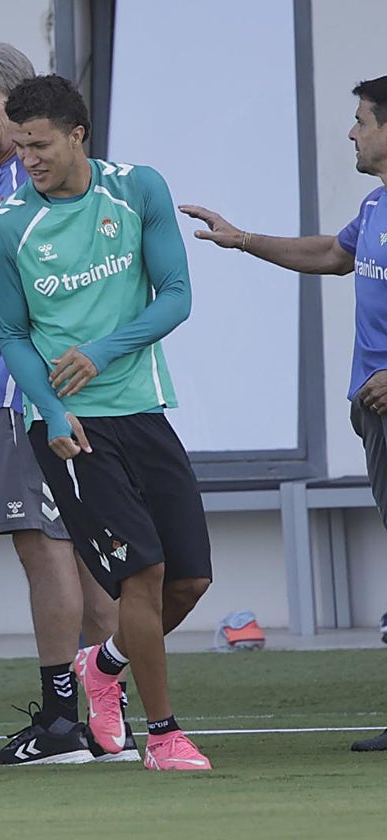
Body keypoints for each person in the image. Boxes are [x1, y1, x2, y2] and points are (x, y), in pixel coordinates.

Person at [0, 75, 213, 772]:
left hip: (142, 408)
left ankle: (104, 666)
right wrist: (51, 409)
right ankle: (165, 735)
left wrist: (103, 352)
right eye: (20, 147)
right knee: (142, 574)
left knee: (191, 581)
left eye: (41, 145)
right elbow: (13, 337)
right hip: (68, 427)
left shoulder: (138, 189)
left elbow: (176, 295)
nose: (29, 160)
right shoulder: (4, 228)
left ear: (78, 135)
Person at [179, 74, 387, 755]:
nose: (352, 132)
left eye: (361, 120)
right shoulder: (377, 206)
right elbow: (332, 253)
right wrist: (242, 239)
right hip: (373, 411)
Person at [0, 45, 129, 766]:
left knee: (47, 551)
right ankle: (104, 722)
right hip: (84, 395)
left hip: (30, 397)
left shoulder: (20, 189)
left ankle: (62, 724)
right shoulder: (69, 187)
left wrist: (37, 392)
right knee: (90, 558)